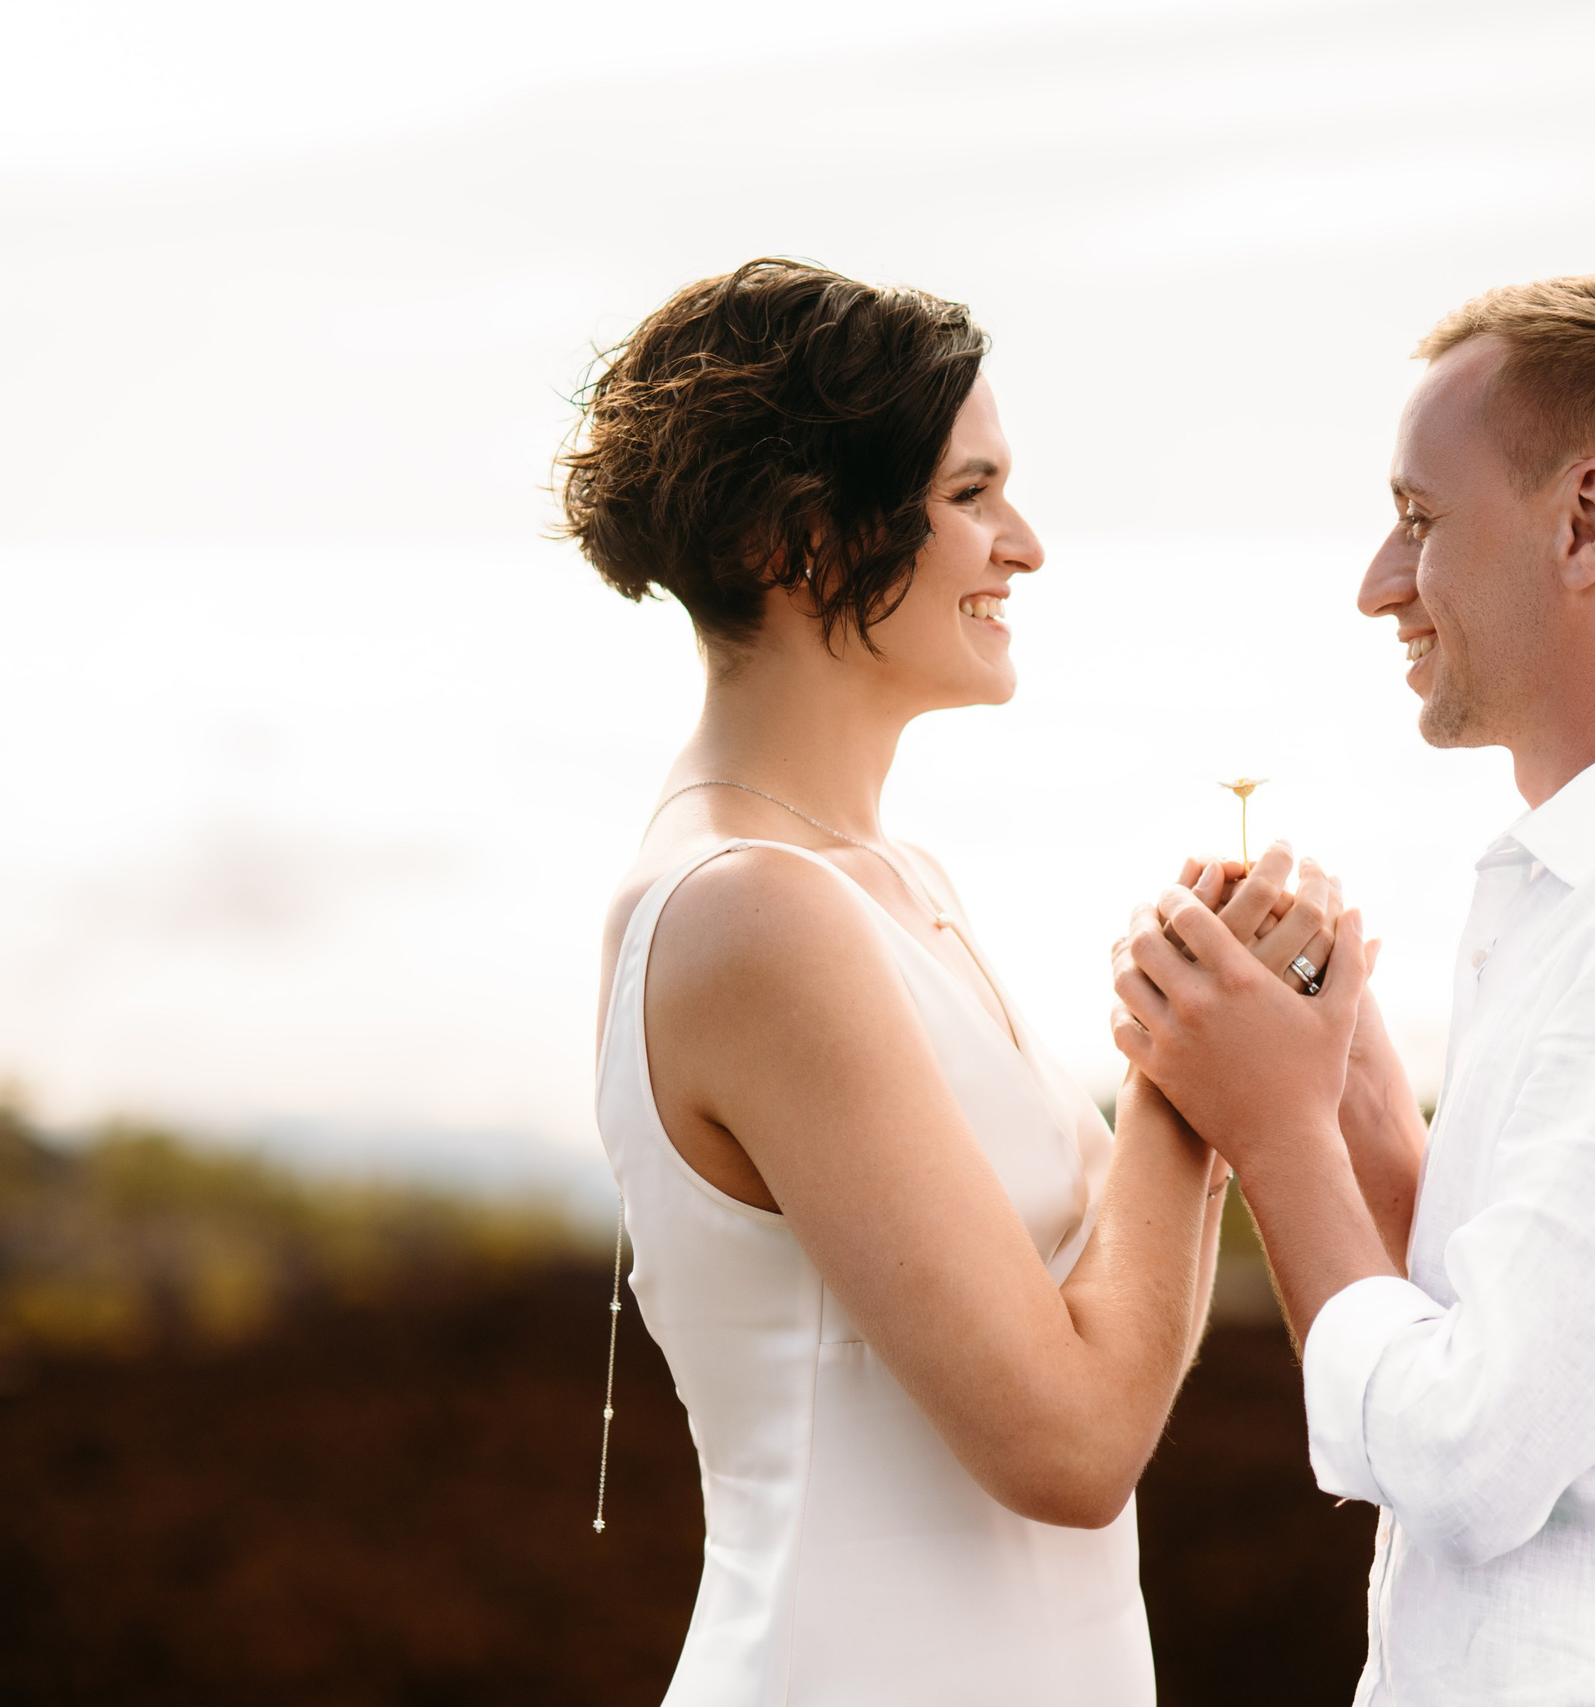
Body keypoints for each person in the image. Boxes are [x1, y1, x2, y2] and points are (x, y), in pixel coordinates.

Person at [1112, 276, 1595, 1703]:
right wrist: (1351, 1096)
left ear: (1586, 523)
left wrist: (1277, 1131)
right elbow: (1528, 1331)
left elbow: (1471, 1460)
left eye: (1419, 518)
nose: (1377, 582)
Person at [562, 258, 1340, 1706]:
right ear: (803, 539)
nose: (1024, 544)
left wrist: (1214, 1053)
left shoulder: (899, 884)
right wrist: (1189, 1076)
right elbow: (1069, 1447)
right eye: (972, 494)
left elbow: (1109, 1318)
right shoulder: (749, 914)